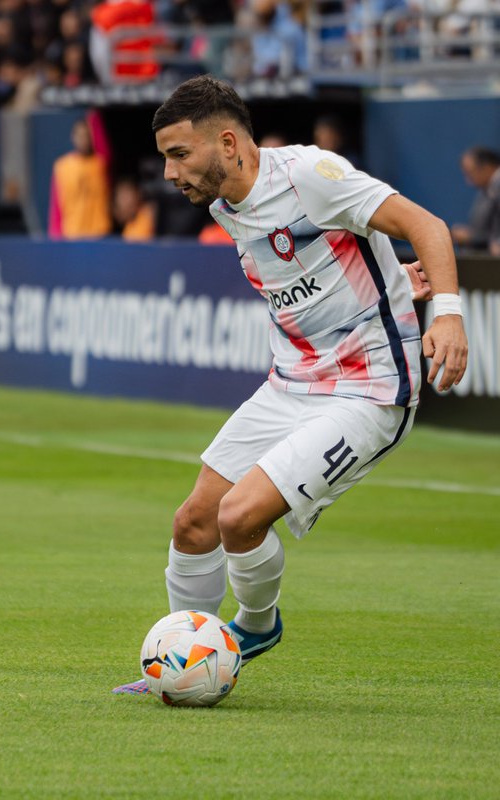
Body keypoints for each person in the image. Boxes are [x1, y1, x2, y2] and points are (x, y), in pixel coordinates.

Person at [113, 76, 468, 695]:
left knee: (239, 517)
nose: (169, 173)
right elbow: (322, 265)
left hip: (370, 388)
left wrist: (449, 313)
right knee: (193, 523)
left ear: (228, 143)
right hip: (292, 381)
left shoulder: (311, 176)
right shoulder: (222, 201)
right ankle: (179, 657)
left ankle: (253, 627)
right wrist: (389, 282)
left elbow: (427, 225)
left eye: (178, 154)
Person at [48, 118, 112, 240]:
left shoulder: (100, 164)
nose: (83, 139)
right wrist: (55, 239)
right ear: (73, 137)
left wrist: (93, 114)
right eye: (79, 135)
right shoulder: (62, 167)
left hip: (98, 236)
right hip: (72, 236)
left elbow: (105, 149)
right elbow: (56, 207)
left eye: (87, 135)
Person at [451, 146, 500, 254]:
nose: (469, 181)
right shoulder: (487, 188)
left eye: (470, 174)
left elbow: (496, 239)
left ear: (487, 167)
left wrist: (470, 237)